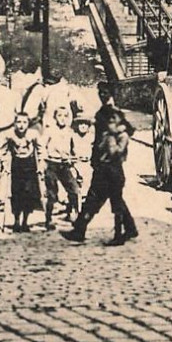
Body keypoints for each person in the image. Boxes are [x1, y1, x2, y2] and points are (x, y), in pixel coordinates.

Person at [63, 80, 137, 246]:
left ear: (111, 94)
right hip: (102, 164)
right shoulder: (104, 112)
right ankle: (81, 230)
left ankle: (118, 234)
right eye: (100, 92)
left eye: (105, 92)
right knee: (96, 198)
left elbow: (127, 132)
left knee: (112, 201)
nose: (102, 95)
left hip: (111, 166)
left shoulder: (113, 113)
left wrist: (116, 150)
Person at [0, 111, 44, 232]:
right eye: (18, 122)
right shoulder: (9, 135)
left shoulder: (33, 134)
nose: (21, 125)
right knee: (16, 193)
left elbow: (40, 149)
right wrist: (4, 164)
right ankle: (16, 221)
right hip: (17, 165)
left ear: (28, 123)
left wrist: (41, 164)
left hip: (30, 166)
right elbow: (3, 150)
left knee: (29, 194)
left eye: (24, 122)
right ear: (14, 123)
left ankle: (25, 221)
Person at [43, 105, 79, 230]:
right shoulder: (50, 130)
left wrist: (73, 159)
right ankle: (49, 219)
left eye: (65, 116)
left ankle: (72, 213)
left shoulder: (70, 132)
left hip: (65, 165)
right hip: (52, 163)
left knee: (74, 189)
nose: (62, 118)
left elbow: (74, 149)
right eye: (59, 115)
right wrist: (44, 160)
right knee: (52, 193)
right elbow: (42, 147)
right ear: (55, 117)